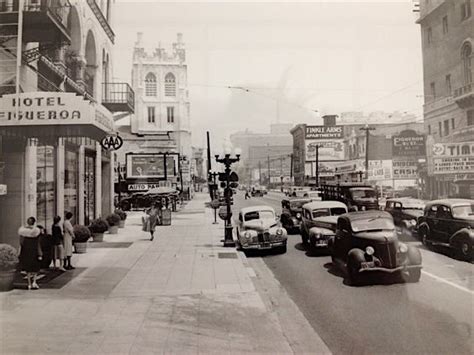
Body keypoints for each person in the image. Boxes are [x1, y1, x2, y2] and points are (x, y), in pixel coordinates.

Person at [18, 217, 42, 290]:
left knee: (28, 268)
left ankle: (29, 284)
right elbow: (38, 243)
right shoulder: (36, 231)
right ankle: (34, 282)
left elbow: (21, 243)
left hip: (26, 251)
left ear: (27, 222)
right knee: (35, 268)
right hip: (34, 251)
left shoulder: (23, 231)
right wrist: (40, 253)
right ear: (34, 222)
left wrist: (20, 252)